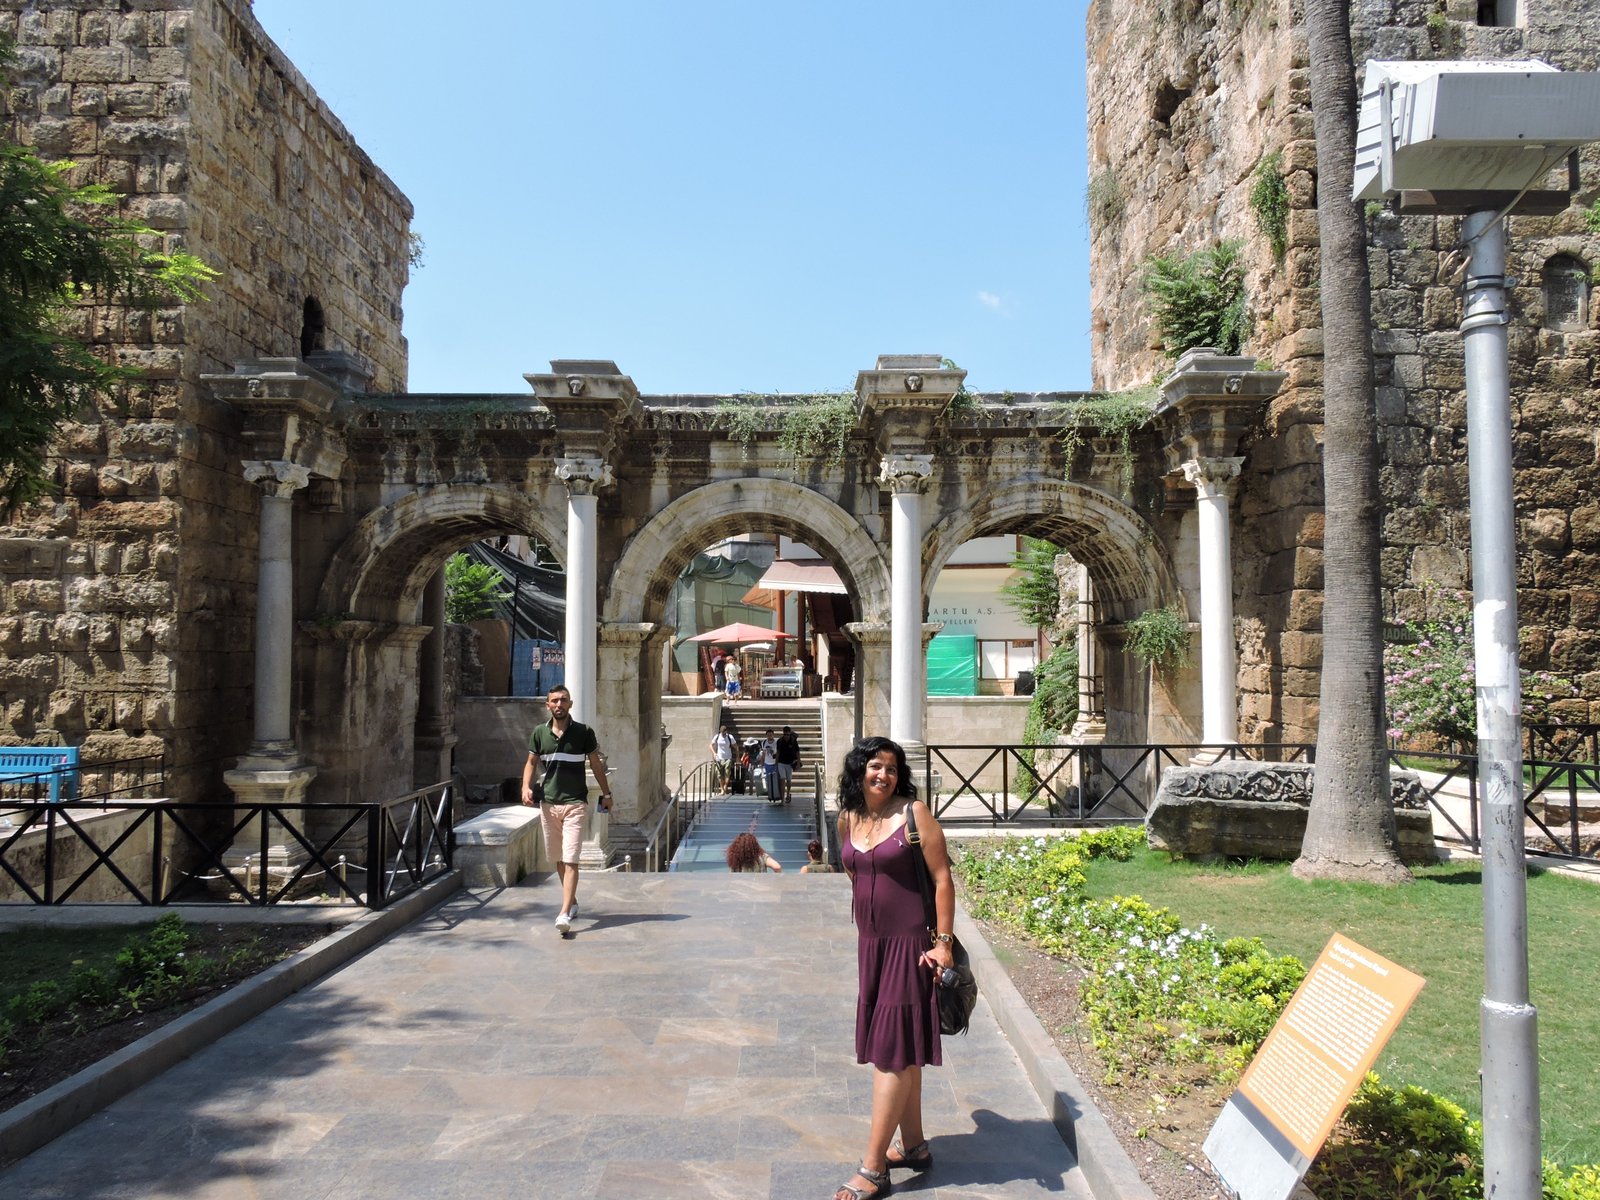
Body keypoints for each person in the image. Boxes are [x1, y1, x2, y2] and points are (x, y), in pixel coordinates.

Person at [832, 736, 954, 1200]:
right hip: (873, 948)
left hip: (911, 947)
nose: (883, 775)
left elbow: (943, 879)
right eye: (875, 767)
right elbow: (855, 871)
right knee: (901, 1047)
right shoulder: (849, 818)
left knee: (891, 1052)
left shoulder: (914, 814)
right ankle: (916, 1145)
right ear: (859, 770)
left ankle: (873, 1167)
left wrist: (942, 944)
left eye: (891, 768)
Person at [520, 685, 613, 937]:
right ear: (547, 705)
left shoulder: (583, 732)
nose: (559, 705)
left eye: (563, 700)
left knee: (571, 858)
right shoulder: (540, 733)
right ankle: (571, 902)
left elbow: (595, 764)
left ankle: (563, 912)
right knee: (559, 859)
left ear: (570, 704)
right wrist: (525, 787)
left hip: (575, 804)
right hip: (549, 804)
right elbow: (530, 762)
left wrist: (606, 793)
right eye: (554, 701)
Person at [710, 721, 738, 793]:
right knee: (719, 774)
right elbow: (710, 745)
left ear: (726, 731)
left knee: (727, 773)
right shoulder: (717, 736)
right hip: (719, 758)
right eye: (722, 733)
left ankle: (725, 786)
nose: (723, 734)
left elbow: (736, 747)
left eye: (724, 733)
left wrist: (738, 757)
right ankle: (722, 788)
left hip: (728, 757)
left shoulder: (730, 737)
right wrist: (714, 753)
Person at [776, 724, 801, 804]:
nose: (786, 736)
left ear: (790, 734)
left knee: (789, 781)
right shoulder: (779, 741)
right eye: (785, 734)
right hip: (781, 763)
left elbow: (797, 752)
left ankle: (788, 794)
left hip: (790, 763)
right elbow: (778, 752)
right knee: (782, 780)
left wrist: (798, 762)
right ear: (783, 734)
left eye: (788, 734)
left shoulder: (793, 741)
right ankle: (782, 799)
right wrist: (776, 763)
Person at [760, 728, 781, 804]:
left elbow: (778, 753)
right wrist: (762, 764)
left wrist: (776, 761)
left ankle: (777, 794)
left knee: (776, 779)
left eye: (771, 735)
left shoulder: (776, 742)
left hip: (774, 763)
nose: (769, 736)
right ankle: (770, 794)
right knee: (768, 780)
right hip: (767, 763)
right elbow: (763, 754)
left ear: (773, 735)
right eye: (768, 735)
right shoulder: (764, 742)